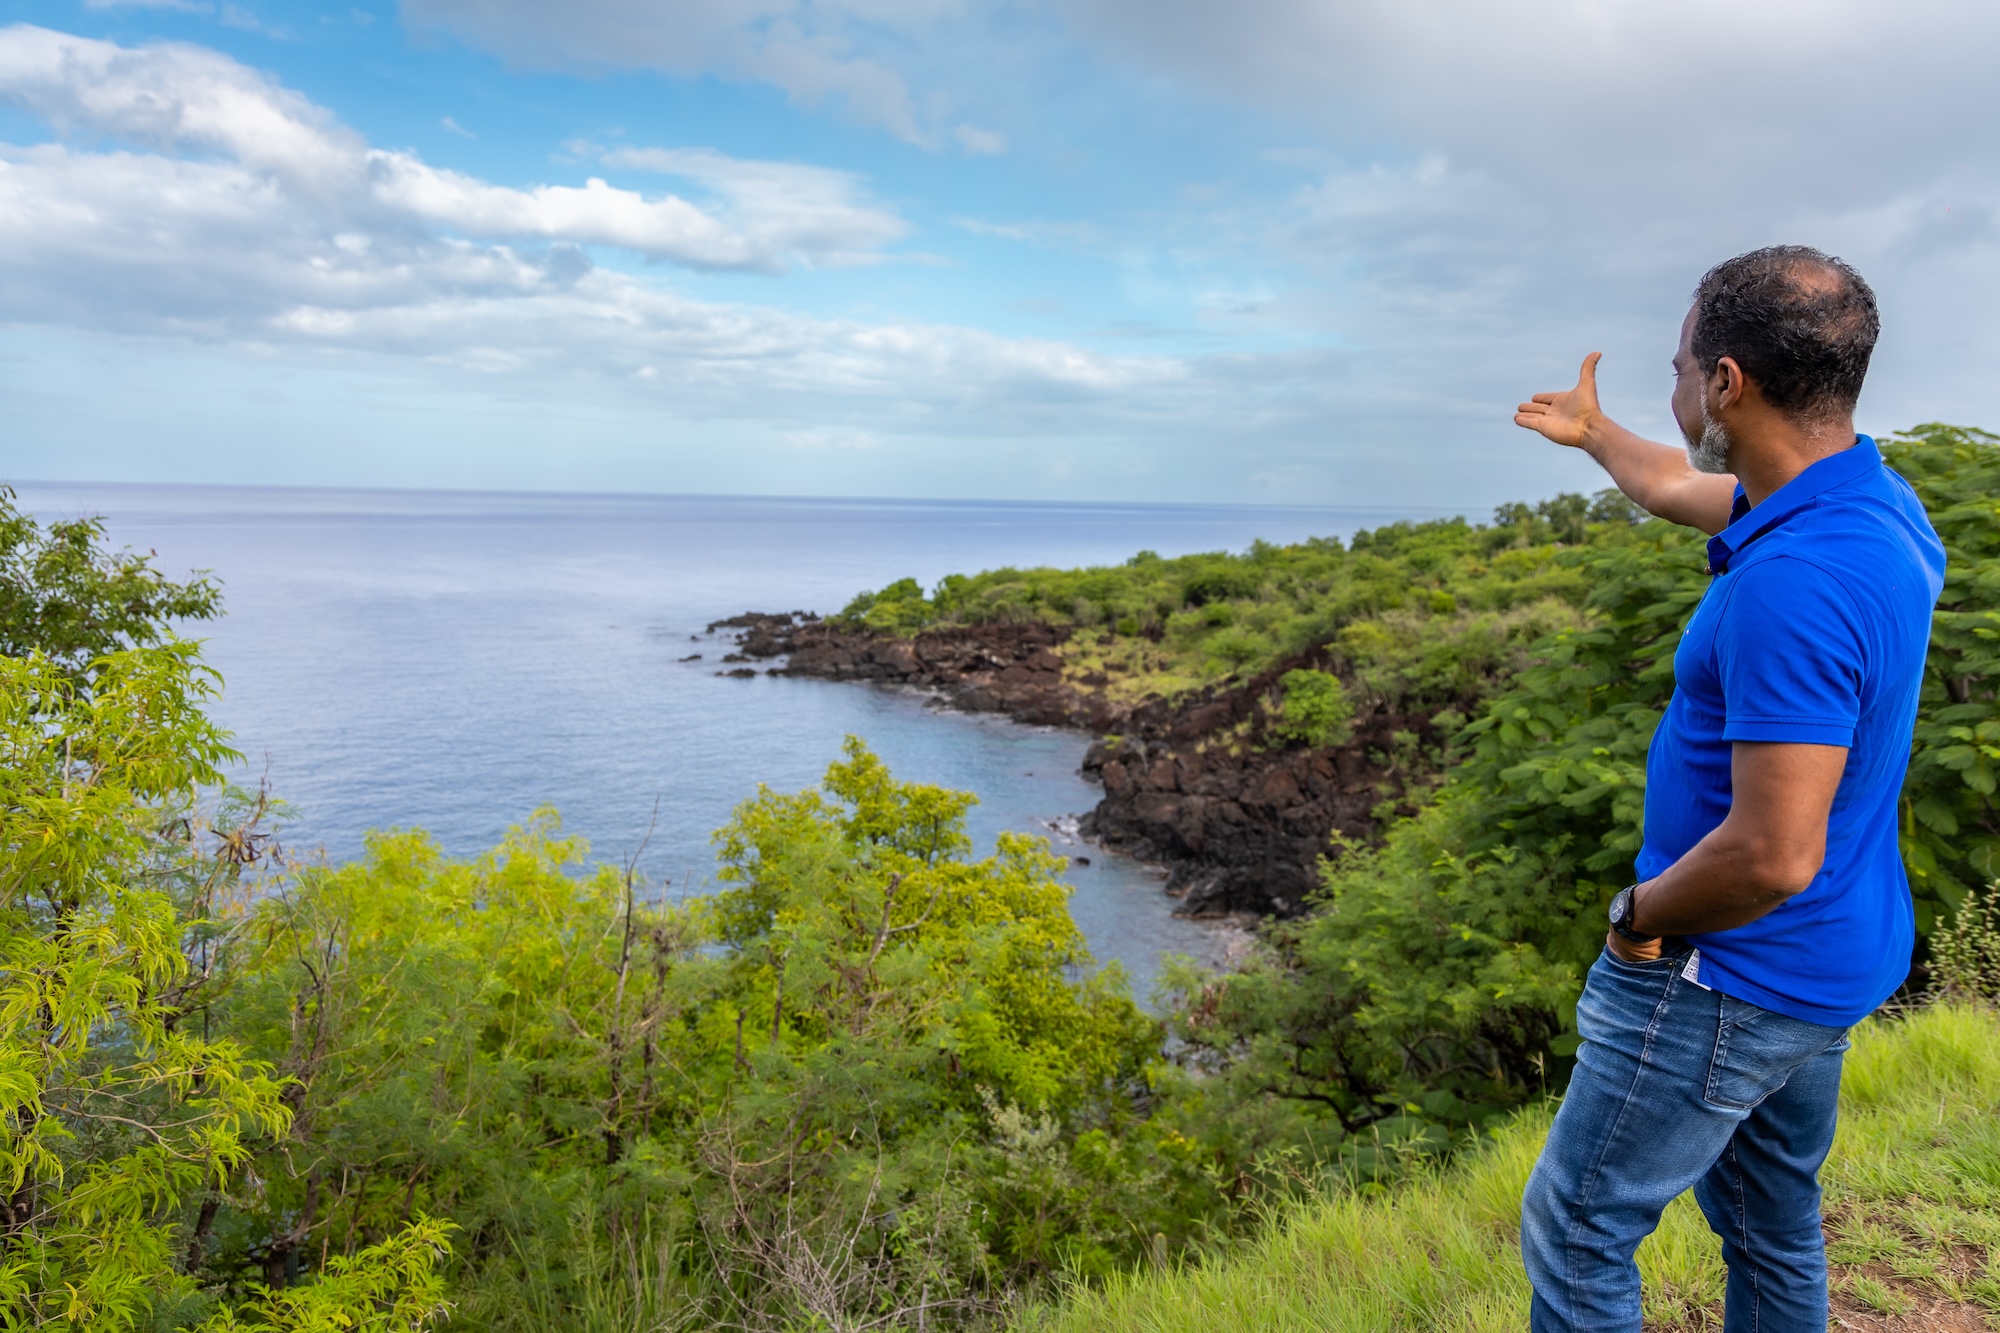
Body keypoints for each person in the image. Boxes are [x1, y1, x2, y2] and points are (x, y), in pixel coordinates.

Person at [1509, 245, 1945, 1333]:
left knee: (1577, 1229)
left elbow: (1768, 855)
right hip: (1826, 956)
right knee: (1767, 1220)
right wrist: (1597, 432)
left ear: (1725, 383)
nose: (1669, 387)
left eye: (1676, 367)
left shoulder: (1794, 582)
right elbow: (1673, 483)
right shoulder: (1872, 506)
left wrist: (1634, 919)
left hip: (1721, 972)